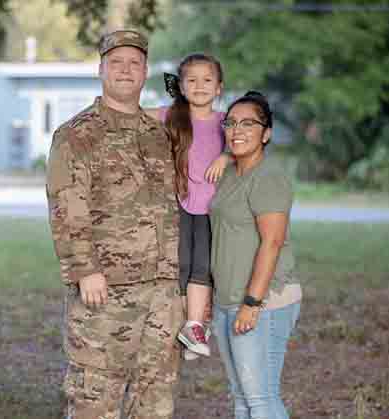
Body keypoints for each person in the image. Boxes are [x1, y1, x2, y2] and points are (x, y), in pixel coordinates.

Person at [46, 30, 182, 419]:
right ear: (101, 70)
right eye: (117, 63)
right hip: (105, 293)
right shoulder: (77, 135)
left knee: (155, 400)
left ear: (144, 73)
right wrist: (85, 270)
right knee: (95, 399)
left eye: (135, 63)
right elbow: (67, 208)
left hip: (163, 293)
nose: (126, 70)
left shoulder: (159, 135)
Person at [210, 91, 302, 419]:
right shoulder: (231, 173)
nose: (237, 129)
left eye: (249, 123)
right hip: (225, 300)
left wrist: (252, 303)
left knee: (261, 399)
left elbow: (272, 243)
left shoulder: (269, 177)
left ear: (266, 134)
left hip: (262, 301)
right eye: (231, 123)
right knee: (241, 398)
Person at [144, 53, 229, 360]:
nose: (200, 86)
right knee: (180, 265)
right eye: (191, 80)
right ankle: (187, 327)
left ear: (219, 87)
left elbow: (251, 138)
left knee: (203, 267)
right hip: (179, 203)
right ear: (180, 86)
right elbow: (135, 115)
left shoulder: (225, 122)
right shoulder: (172, 116)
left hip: (212, 209)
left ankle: (195, 324)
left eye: (208, 80)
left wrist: (226, 156)